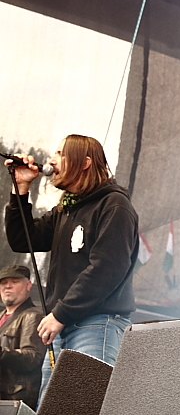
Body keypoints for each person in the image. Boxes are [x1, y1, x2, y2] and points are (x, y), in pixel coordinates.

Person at [4, 134, 139, 404]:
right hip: (63, 326)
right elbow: (23, 240)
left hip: (96, 324)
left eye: (60, 154)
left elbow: (106, 269)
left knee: (80, 405)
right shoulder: (66, 209)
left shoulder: (113, 205)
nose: (52, 161)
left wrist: (60, 313)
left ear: (85, 162)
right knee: (54, 406)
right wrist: (20, 189)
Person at [0, 264, 46, 409]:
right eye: (3, 283)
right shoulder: (1, 317)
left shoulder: (33, 316)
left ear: (28, 285)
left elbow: (32, 358)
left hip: (15, 401)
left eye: (14, 281)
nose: (8, 286)